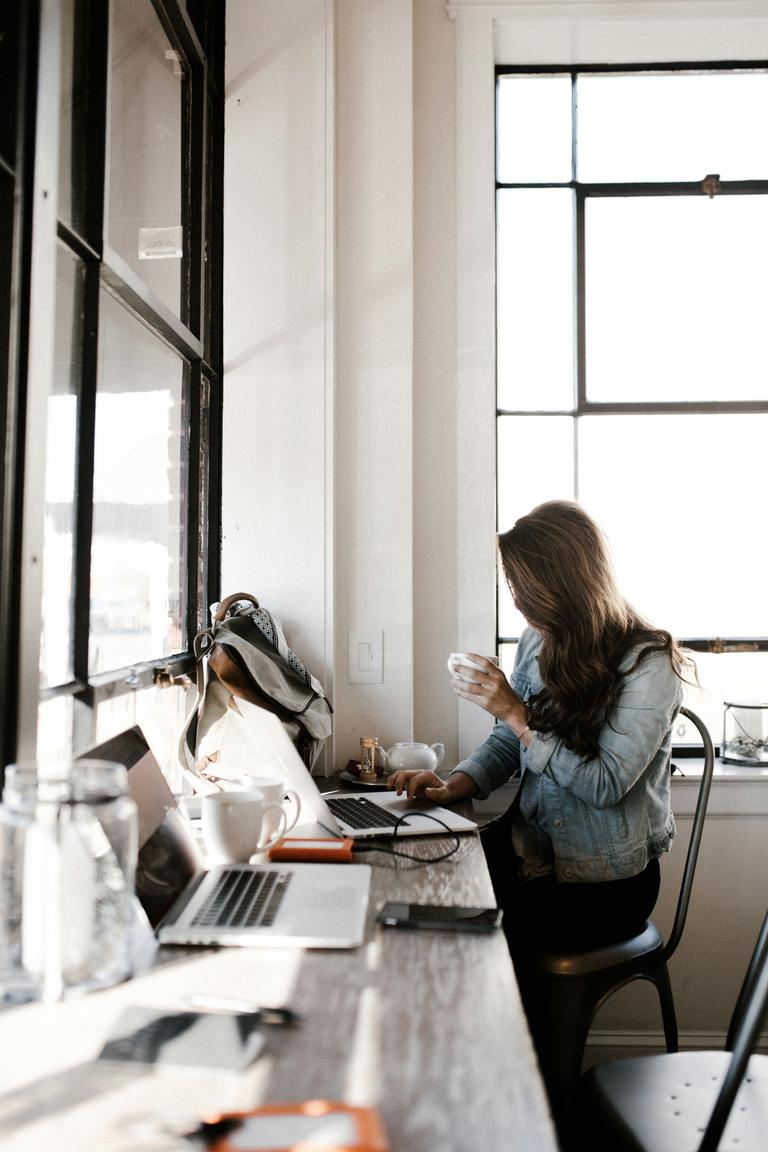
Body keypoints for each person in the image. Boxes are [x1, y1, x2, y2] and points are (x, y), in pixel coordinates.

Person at [387, 499, 692, 971]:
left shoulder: (649, 663)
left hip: (602, 884)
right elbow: (510, 742)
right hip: (529, 852)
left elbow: (604, 784)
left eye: (524, 589)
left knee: (455, 935)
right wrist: (454, 786)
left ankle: (502, 1039)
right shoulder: (539, 639)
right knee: (409, 882)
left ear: (566, 584)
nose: (517, 602)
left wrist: (516, 714)